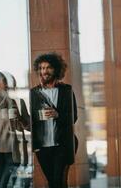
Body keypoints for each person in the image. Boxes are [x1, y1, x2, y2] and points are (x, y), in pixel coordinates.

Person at [31, 52, 78, 188]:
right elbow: (32, 121)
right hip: (43, 147)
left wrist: (58, 115)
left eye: (48, 67)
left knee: (59, 181)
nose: (44, 71)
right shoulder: (34, 93)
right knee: (52, 182)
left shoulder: (66, 90)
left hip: (62, 146)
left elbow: (73, 117)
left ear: (56, 69)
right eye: (41, 68)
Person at [0, 72, 23, 188]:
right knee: (0, 182)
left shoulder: (12, 103)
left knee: (3, 183)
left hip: (10, 149)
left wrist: (17, 119)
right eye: (5, 82)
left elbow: (19, 127)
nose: (8, 85)